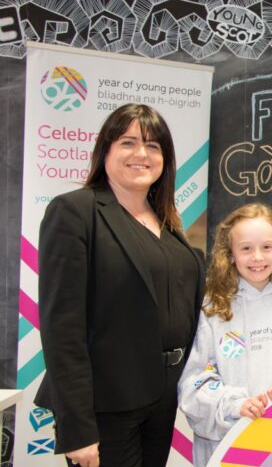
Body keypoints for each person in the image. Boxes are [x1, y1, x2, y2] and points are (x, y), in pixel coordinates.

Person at [35, 103, 205, 467]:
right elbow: (62, 328)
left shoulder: (168, 226)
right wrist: (77, 428)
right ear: (106, 151)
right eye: (128, 142)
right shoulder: (76, 212)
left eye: (154, 146)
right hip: (104, 406)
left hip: (161, 399)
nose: (142, 154)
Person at [178, 203, 272, 466]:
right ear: (230, 254)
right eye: (246, 249)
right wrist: (234, 405)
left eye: (266, 247)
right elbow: (195, 381)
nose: (258, 258)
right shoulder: (212, 310)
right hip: (227, 447)